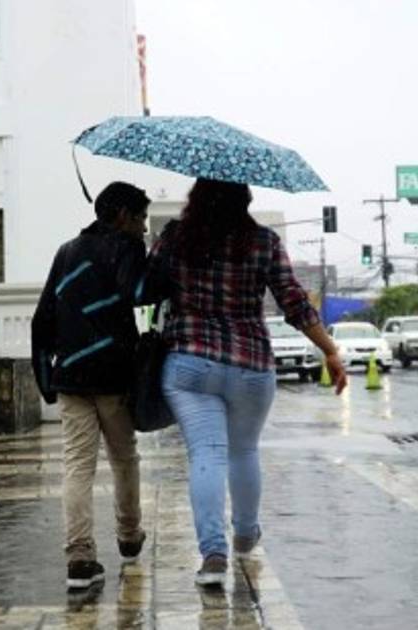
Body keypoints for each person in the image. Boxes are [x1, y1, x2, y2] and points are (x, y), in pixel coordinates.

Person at [139, 177, 347, 587]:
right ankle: (246, 535)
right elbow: (293, 301)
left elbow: (145, 287)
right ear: (245, 199)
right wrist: (329, 350)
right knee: (244, 451)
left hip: (191, 362)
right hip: (251, 364)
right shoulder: (263, 242)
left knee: (207, 453)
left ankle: (213, 555)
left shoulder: (176, 237)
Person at [31, 182, 152, 590]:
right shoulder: (127, 248)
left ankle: (79, 558)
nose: (144, 228)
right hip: (114, 377)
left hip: (70, 377)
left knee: (78, 465)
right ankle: (129, 536)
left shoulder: (66, 252)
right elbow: (138, 293)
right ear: (123, 216)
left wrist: (46, 379)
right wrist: (157, 261)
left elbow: (42, 318)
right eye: (141, 219)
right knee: (124, 459)